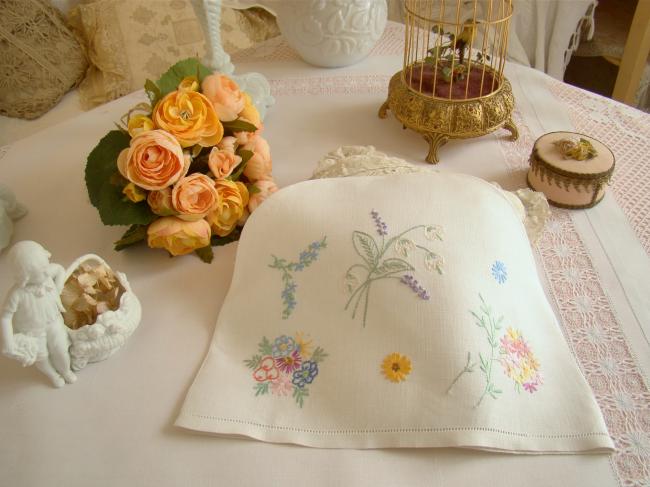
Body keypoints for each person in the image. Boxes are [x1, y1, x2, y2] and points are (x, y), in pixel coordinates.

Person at [1, 241, 76, 387]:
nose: (47, 271)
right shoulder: (17, 294)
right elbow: (5, 317)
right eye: (41, 271)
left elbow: (60, 269)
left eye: (46, 265)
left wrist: (58, 289)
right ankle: (53, 375)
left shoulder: (48, 274)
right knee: (41, 358)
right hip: (32, 332)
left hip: (54, 322)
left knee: (61, 349)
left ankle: (65, 370)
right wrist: (8, 341)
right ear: (25, 277)